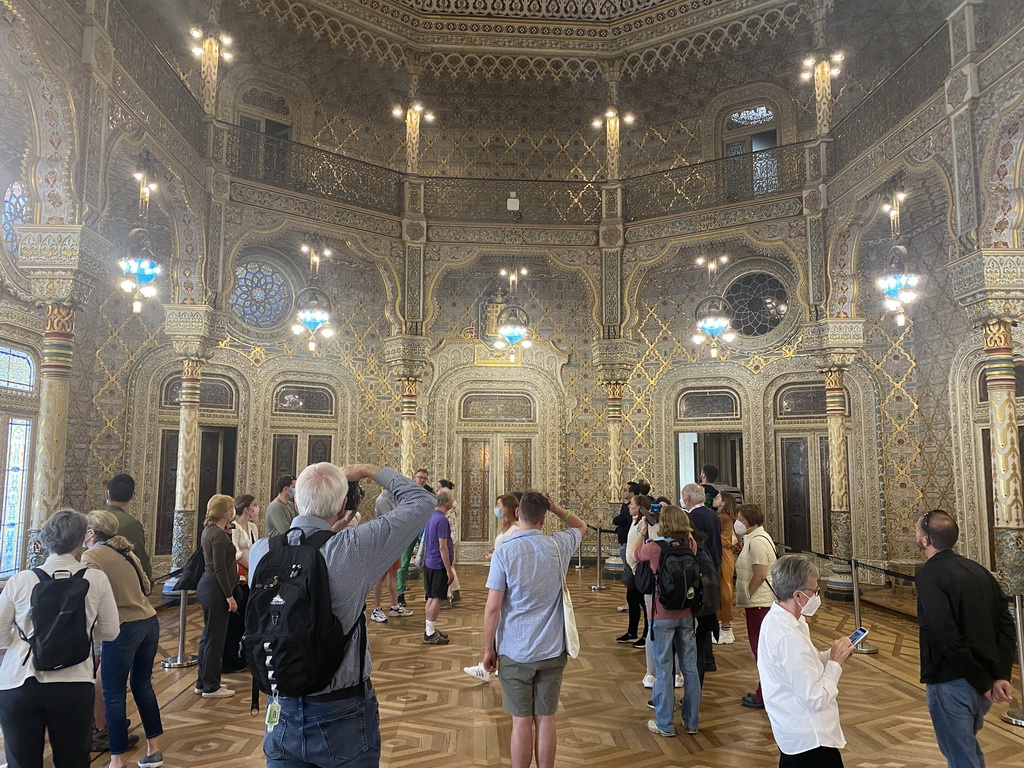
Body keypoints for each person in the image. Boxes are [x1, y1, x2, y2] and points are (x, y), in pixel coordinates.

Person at [248, 461, 435, 768]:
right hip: (341, 711)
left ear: (295, 501)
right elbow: (422, 500)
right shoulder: (353, 548)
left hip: (280, 706)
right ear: (344, 505)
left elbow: (307, 549)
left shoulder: (262, 552)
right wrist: (369, 470)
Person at [0, 510, 120, 768]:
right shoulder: (95, 579)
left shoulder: (20, 580)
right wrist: (79, 633)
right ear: (81, 542)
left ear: (44, 540)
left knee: (22, 763)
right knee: (74, 761)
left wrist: (27, 640)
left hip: (19, 682)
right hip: (73, 683)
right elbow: (110, 631)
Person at [481, 491, 586, 768]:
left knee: (521, 722)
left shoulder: (504, 551)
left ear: (517, 514)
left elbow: (492, 608)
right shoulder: (558, 545)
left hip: (515, 650)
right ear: (543, 518)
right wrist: (556, 508)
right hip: (551, 648)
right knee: (547, 718)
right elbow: (580, 526)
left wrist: (488, 648)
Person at [914, 510, 1016, 768]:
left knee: (961, 758)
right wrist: (1000, 675)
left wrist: (984, 682)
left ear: (926, 541)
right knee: (967, 752)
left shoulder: (929, 575)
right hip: (984, 681)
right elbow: (1006, 625)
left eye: (917, 531)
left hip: (953, 682)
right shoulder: (980, 571)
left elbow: (946, 636)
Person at [82, 509, 164, 768]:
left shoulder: (91, 555)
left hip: (122, 627)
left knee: (114, 693)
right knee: (143, 686)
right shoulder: (127, 551)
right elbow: (148, 587)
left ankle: (117, 760)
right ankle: (154, 750)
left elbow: (89, 593)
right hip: (149, 622)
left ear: (92, 532)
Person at [759, 555, 854, 767]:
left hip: (798, 733)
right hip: (809, 739)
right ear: (798, 595)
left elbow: (802, 665)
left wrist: (832, 654)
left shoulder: (785, 619)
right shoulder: (788, 636)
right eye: (814, 591)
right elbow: (816, 698)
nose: (817, 596)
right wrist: (835, 664)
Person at [635, 503, 702, 737]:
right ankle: (692, 723)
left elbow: (634, 555)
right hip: (687, 612)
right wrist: (683, 524)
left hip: (661, 614)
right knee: (690, 668)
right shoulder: (691, 545)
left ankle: (665, 724)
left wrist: (643, 530)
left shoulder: (654, 548)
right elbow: (688, 535)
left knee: (664, 669)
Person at [465, 494, 522, 682]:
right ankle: (492, 666)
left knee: (499, 619)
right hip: (499, 577)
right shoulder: (507, 528)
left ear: (506, 508)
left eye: (498, 505)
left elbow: (512, 554)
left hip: (505, 580)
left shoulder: (515, 529)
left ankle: (492, 665)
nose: (495, 508)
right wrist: (494, 554)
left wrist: (494, 556)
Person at [195, 494, 239, 698]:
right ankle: (212, 685)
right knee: (215, 639)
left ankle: (202, 682)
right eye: (231, 508)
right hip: (216, 589)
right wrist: (229, 596)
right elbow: (220, 568)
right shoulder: (219, 536)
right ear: (226, 512)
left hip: (209, 587)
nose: (233, 511)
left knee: (208, 637)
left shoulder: (211, 531)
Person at [734, 502, 777, 708]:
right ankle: (765, 691)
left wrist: (748, 595)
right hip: (758, 603)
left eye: (741, 519)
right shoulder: (753, 538)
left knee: (761, 650)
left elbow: (760, 574)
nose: (738, 523)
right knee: (761, 649)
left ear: (749, 521)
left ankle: (763, 694)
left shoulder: (758, 542)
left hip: (761, 603)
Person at [681, 483, 722, 675]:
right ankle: (708, 657)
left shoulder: (692, 517)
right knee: (707, 616)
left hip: (699, 571)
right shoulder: (711, 514)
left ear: (687, 499)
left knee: (699, 617)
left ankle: (703, 658)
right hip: (712, 568)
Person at [225, 494, 260, 673]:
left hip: (252, 576)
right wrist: (251, 564)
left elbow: (256, 548)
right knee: (236, 620)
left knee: (248, 616)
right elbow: (236, 553)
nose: (256, 508)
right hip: (239, 577)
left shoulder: (252, 527)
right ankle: (231, 657)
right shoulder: (234, 527)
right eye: (254, 505)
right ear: (246, 508)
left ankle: (245, 653)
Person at [368, 489, 414, 624]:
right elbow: (391, 519)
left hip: (393, 541)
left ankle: (395, 606)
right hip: (384, 541)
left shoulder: (394, 498)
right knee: (380, 576)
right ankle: (376, 609)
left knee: (393, 574)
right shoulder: (382, 500)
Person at [422, 489, 456, 644]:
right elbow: (443, 546)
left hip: (429, 563)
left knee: (431, 598)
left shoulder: (431, 516)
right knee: (437, 599)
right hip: (438, 564)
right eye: (451, 499)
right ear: (445, 502)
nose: (452, 501)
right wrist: (449, 570)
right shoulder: (442, 520)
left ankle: (430, 629)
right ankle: (429, 633)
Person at [616, 493, 650, 648]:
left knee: (643, 602)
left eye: (632, 505)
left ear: (640, 508)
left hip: (640, 567)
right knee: (632, 600)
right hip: (632, 566)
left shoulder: (644, 524)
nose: (629, 506)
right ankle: (632, 631)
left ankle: (646, 634)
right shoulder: (634, 521)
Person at [397, 468, 433, 607]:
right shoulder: (407, 491)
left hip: (423, 529)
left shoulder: (430, 492)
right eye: (420, 477)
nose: (422, 480)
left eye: (424, 478)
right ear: (414, 477)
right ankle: (400, 594)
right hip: (408, 529)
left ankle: (427, 592)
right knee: (404, 561)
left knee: (425, 561)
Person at [105, 473, 152, 579]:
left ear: (107, 494)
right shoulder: (131, 524)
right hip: (120, 583)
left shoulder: (91, 520)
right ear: (133, 496)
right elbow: (140, 560)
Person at [712, 490, 738, 644]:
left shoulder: (722, 517)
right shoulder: (724, 517)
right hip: (722, 553)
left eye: (717, 498)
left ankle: (726, 627)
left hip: (722, 554)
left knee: (724, 589)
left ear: (723, 503)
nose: (714, 499)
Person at [439, 479, 462, 603]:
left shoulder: (446, 505)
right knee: (450, 565)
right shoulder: (454, 503)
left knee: (445, 566)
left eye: (438, 488)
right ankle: (456, 590)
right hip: (453, 537)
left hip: (446, 538)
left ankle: (446, 596)